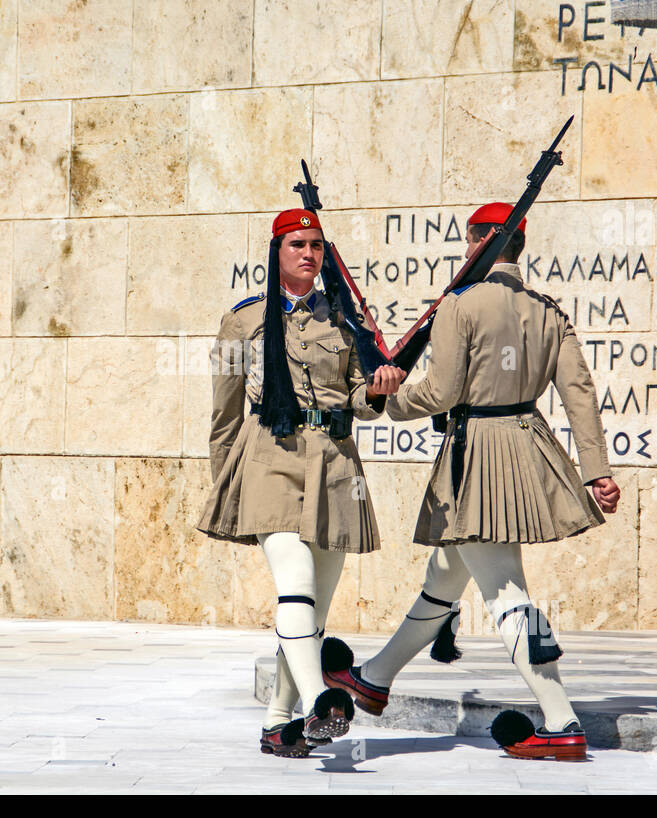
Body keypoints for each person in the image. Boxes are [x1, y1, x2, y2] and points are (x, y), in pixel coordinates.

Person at [321, 203, 620, 761]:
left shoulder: (459, 305)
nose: (463, 253)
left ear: (482, 243)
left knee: (506, 591)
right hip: (529, 446)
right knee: (446, 575)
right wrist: (595, 471)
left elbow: (439, 393)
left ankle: (561, 722)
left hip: (479, 454)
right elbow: (580, 394)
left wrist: (384, 399)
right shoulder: (548, 311)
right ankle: (375, 678)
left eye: (467, 243)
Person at [198, 208, 406, 757]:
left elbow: (363, 402)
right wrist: (226, 481)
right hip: (271, 459)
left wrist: (381, 388)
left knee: (313, 611)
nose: (308, 253)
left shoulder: (345, 321)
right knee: (295, 584)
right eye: (297, 244)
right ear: (276, 252)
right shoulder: (244, 320)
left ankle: (277, 722)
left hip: (335, 465)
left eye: (316, 244)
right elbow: (224, 413)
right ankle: (320, 699)